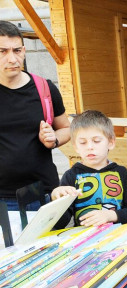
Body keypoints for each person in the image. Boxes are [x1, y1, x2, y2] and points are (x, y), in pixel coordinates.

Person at [0, 21, 71, 210]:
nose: (12, 59)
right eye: (3, 51)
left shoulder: (45, 89)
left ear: (24, 50)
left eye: (17, 50)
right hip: (2, 200)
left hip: (43, 194)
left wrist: (54, 139)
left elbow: (66, 128)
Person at [51, 110, 127, 227]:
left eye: (96, 141)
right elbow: (60, 224)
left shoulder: (121, 172)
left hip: (119, 237)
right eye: (82, 142)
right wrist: (57, 201)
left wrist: (109, 215)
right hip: (86, 240)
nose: (90, 147)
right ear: (75, 147)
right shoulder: (70, 176)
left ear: (111, 142)